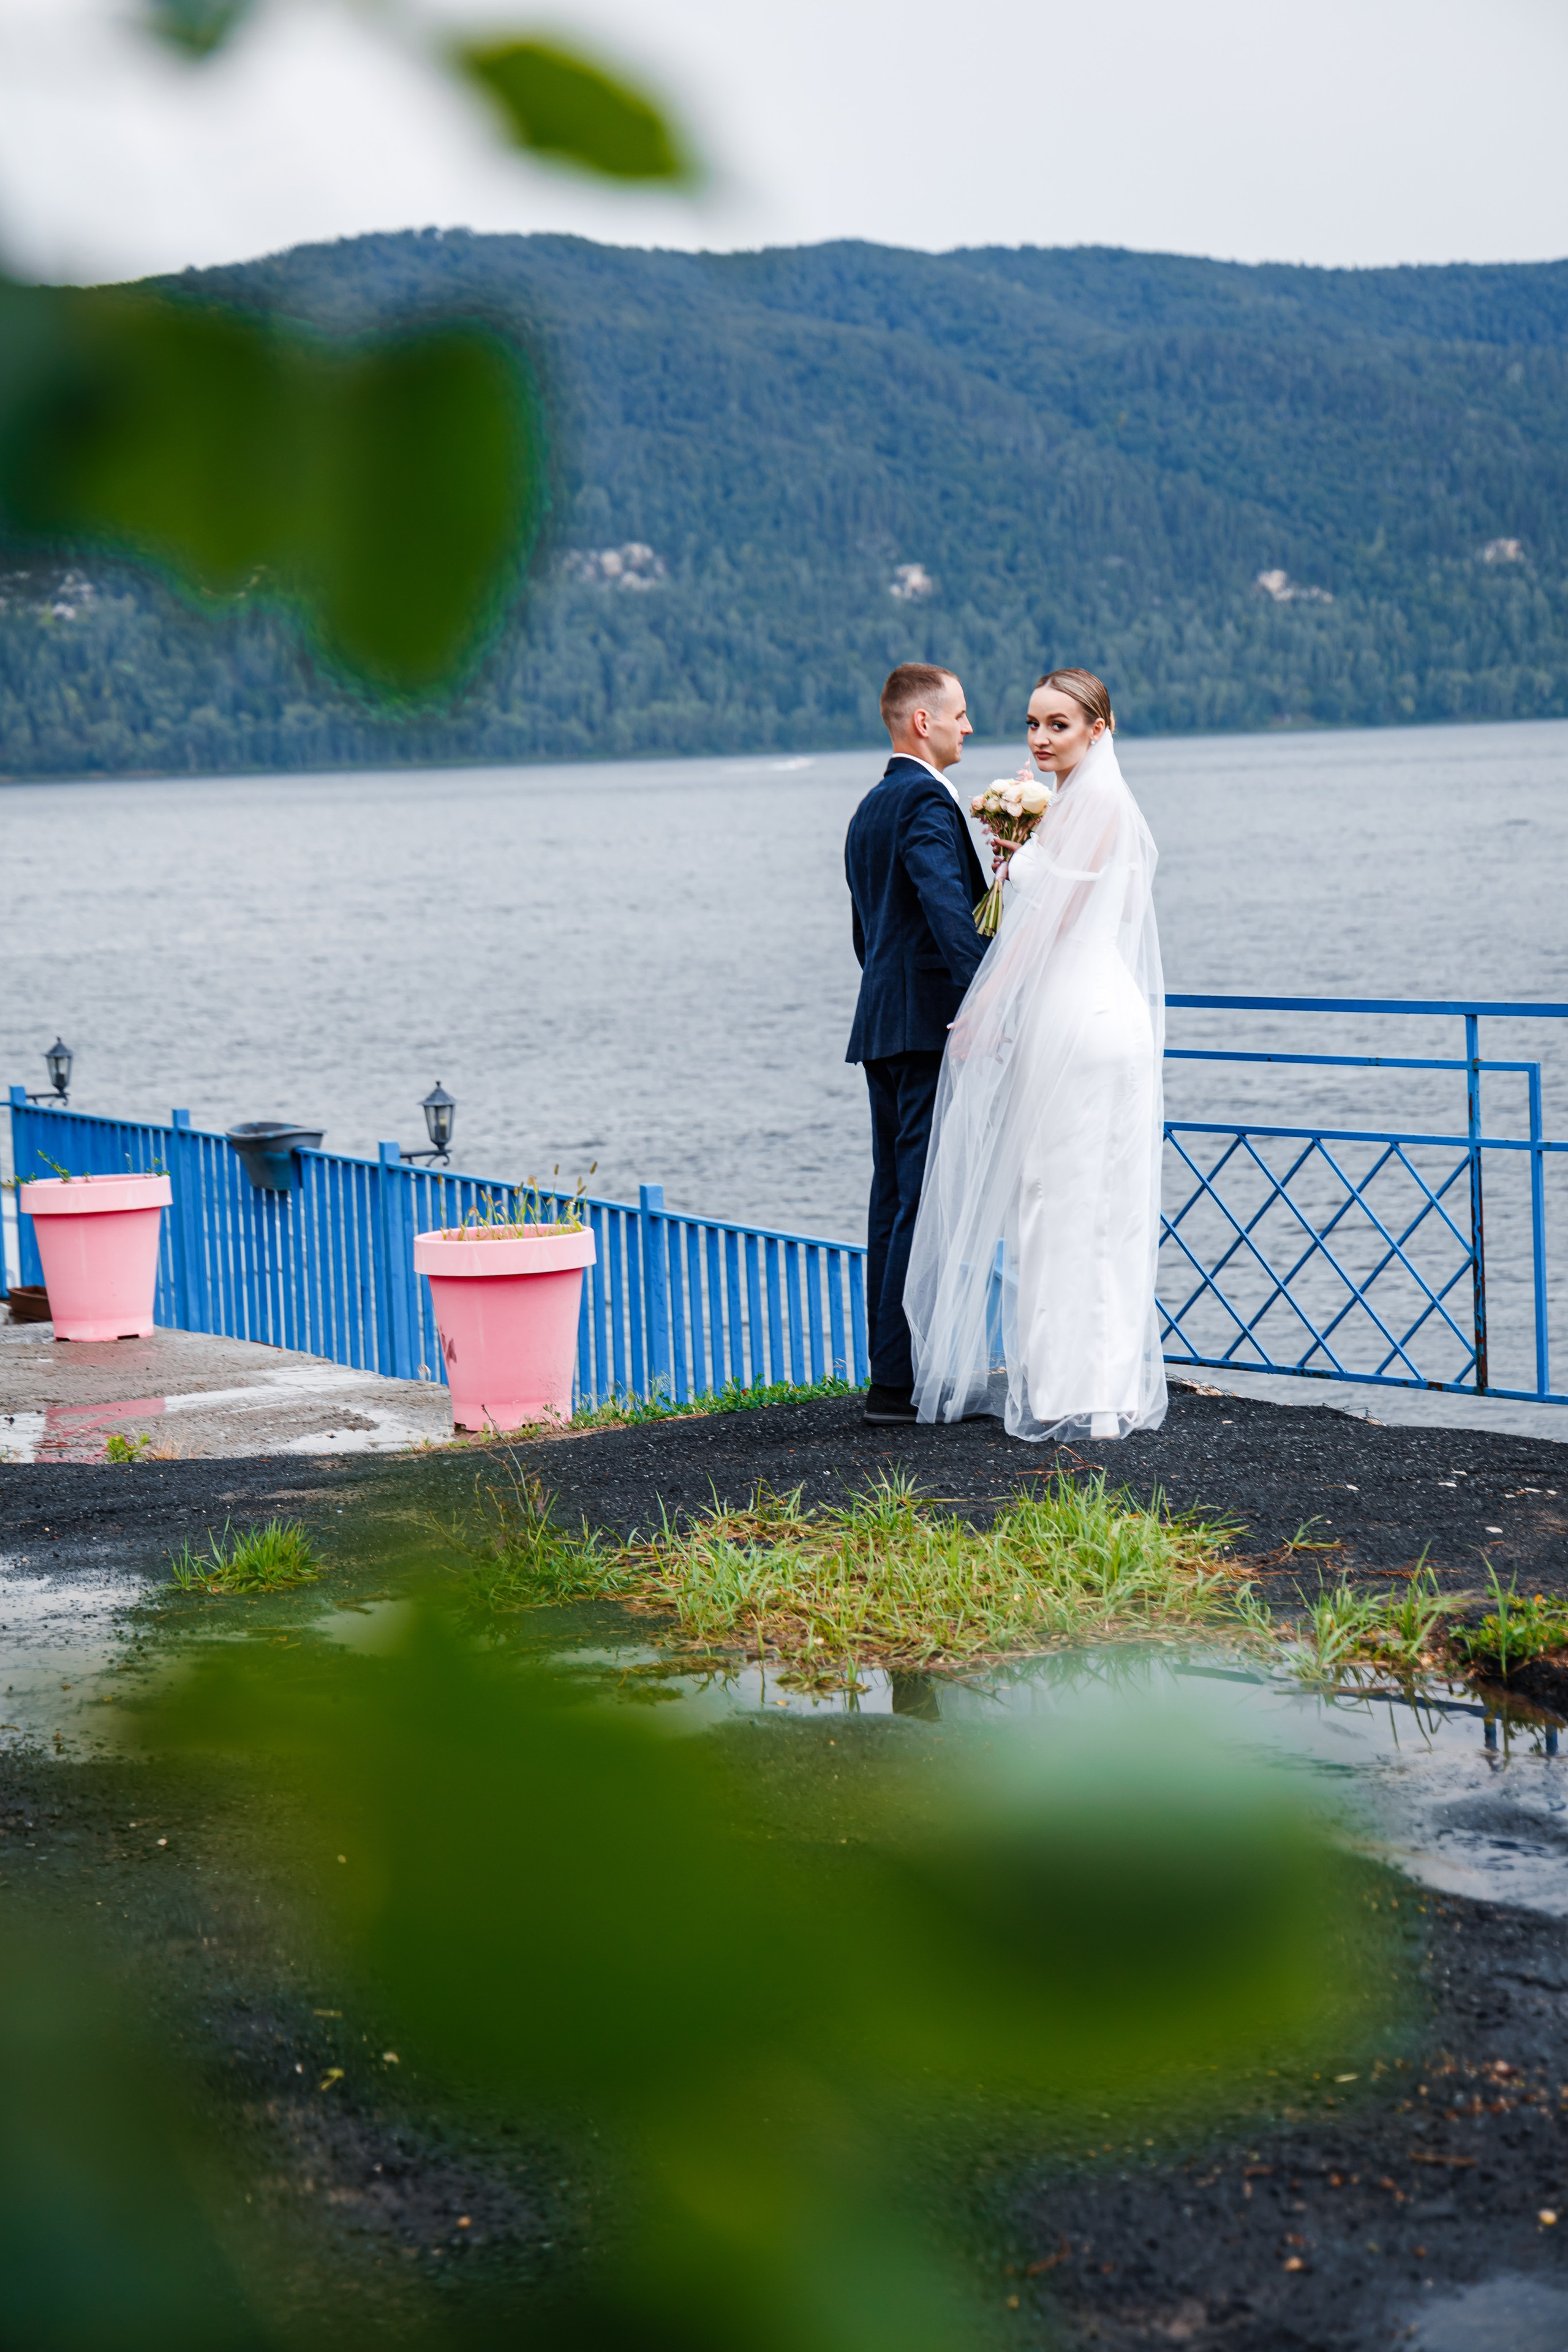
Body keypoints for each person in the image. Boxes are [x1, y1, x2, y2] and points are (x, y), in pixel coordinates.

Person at [904, 668, 1167, 1442]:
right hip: (1097, 1007)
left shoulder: (1096, 804)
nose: (1041, 738)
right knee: (1086, 1199)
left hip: (1076, 1016)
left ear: (1098, 729)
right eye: (1032, 723)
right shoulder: (1074, 805)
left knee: (1060, 1198)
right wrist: (1018, 848)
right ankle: (1092, 1385)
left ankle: (1069, 1389)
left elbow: (1049, 925)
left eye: (1059, 725)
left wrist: (984, 1004)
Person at [845, 664, 987, 1424]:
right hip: (928, 1026)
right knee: (917, 1199)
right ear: (921, 723)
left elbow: (867, 934)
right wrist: (984, 1006)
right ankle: (898, 1385)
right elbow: (945, 912)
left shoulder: (870, 806)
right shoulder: (926, 802)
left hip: (882, 1021)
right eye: (959, 715)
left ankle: (889, 1375)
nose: (969, 726)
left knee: (892, 1199)